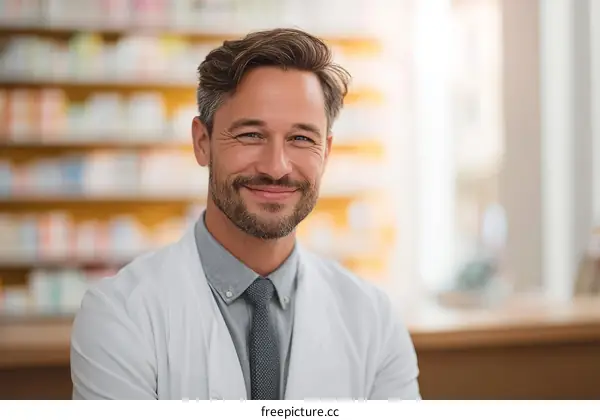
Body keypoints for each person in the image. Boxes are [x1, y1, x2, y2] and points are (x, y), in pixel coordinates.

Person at [70, 28, 421, 400]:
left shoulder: (375, 321)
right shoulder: (120, 315)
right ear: (202, 142)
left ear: (327, 152)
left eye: (301, 138)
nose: (276, 167)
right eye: (251, 135)